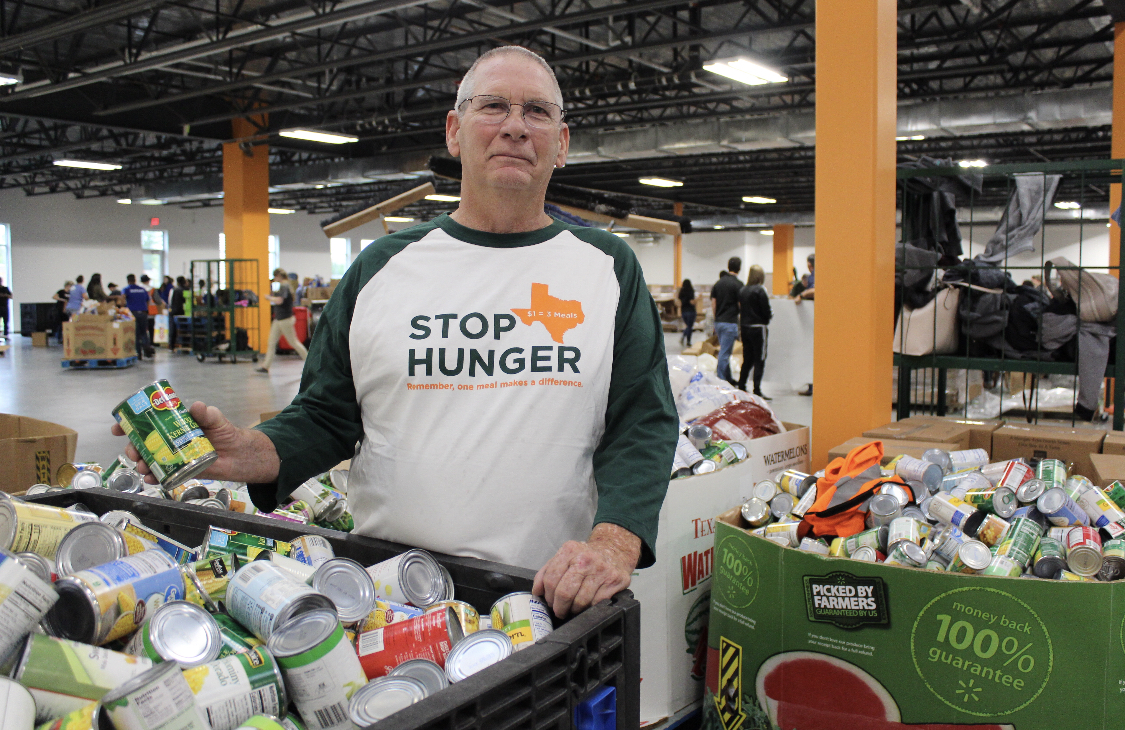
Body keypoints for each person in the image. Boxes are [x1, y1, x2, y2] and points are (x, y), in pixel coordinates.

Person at [113, 45, 677, 618]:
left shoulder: (606, 266)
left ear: (562, 142)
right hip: (390, 595)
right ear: (455, 132)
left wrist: (614, 542)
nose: (514, 126)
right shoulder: (381, 266)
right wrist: (249, 452)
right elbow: (326, 413)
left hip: (547, 597)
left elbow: (643, 420)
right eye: (494, 106)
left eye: (537, 111)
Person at [256, 268, 309, 373]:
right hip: (279, 318)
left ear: (279, 276)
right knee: (271, 342)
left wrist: (269, 298)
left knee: (293, 342)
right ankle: (266, 366)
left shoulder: (284, 286)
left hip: (285, 319)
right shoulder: (285, 286)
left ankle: (309, 364)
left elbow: (280, 301)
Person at [736, 265, 772, 399]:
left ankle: (742, 384)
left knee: (747, 358)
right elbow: (766, 311)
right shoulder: (760, 291)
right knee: (760, 359)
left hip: (745, 327)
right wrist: (768, 318)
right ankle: (757, 389)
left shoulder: (742, 290)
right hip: (758, 327)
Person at [710, 257, 742, 385]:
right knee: (724, 353)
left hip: (719, 322)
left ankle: (728, 378)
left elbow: (713, 304)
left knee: (725, 350)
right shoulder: (738, 284)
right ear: (739, 268)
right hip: (730, 322)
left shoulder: (718, 284)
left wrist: (716, 318)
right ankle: (721, 381)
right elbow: (741, 304)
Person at [794, 253, 815, 395]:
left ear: (809, 264)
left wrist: (802, 295)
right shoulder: (812, 276)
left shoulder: (814, 276)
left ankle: (812, 386)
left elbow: (816, 290)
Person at [122, 274, 154, 359]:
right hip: (143, 313)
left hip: (133, 314)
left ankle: (138, 354)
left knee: (136, 334)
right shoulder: (142, 289)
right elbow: (148, 301)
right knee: (144, 333)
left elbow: (122, 299)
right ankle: (148, 352)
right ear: (135, 280)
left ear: (128, 281)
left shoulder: (126, 289)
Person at [140, 275, 162, 347]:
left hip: (141, 311)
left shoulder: (139, 289)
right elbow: (158, 300)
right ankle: (152, 342)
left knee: (142, 328)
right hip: (151, 312)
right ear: (148, 281)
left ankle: (143, 342)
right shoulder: (152, 289)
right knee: (151, 328)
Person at [678, 279, 696, 348]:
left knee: (687, 326)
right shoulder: (691, 291)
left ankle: (683, 337)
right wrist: (698, 299)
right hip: (691, 311)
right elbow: (692, 302)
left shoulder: (681, 292)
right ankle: (688, 341)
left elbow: (679, 302)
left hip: (684, 311)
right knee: (689, 327)